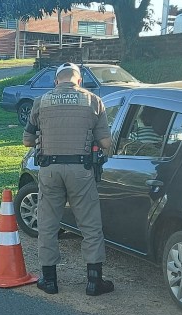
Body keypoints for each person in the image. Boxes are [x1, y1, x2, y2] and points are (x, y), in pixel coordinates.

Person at [22, 62, 115, 296]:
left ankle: (49, 280)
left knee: (48, 224)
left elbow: (27, 141)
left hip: (49, 171)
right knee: (91, 226)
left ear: (56, 82)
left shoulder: (41, 102)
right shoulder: (93, 101)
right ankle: (94, 282)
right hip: (81, 171)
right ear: (79, 81)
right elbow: (105, 143)